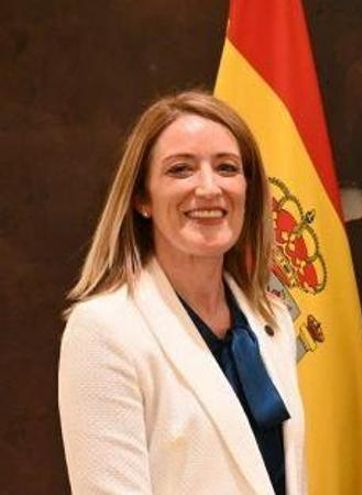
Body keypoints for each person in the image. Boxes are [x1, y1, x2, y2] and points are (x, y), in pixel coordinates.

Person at [58, 91, 306, 494]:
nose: (209, 188)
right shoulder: (104, 330)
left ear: (249, 189)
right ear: (142, 198)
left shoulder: (271, 319)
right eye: (181, 170)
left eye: (226, 168)